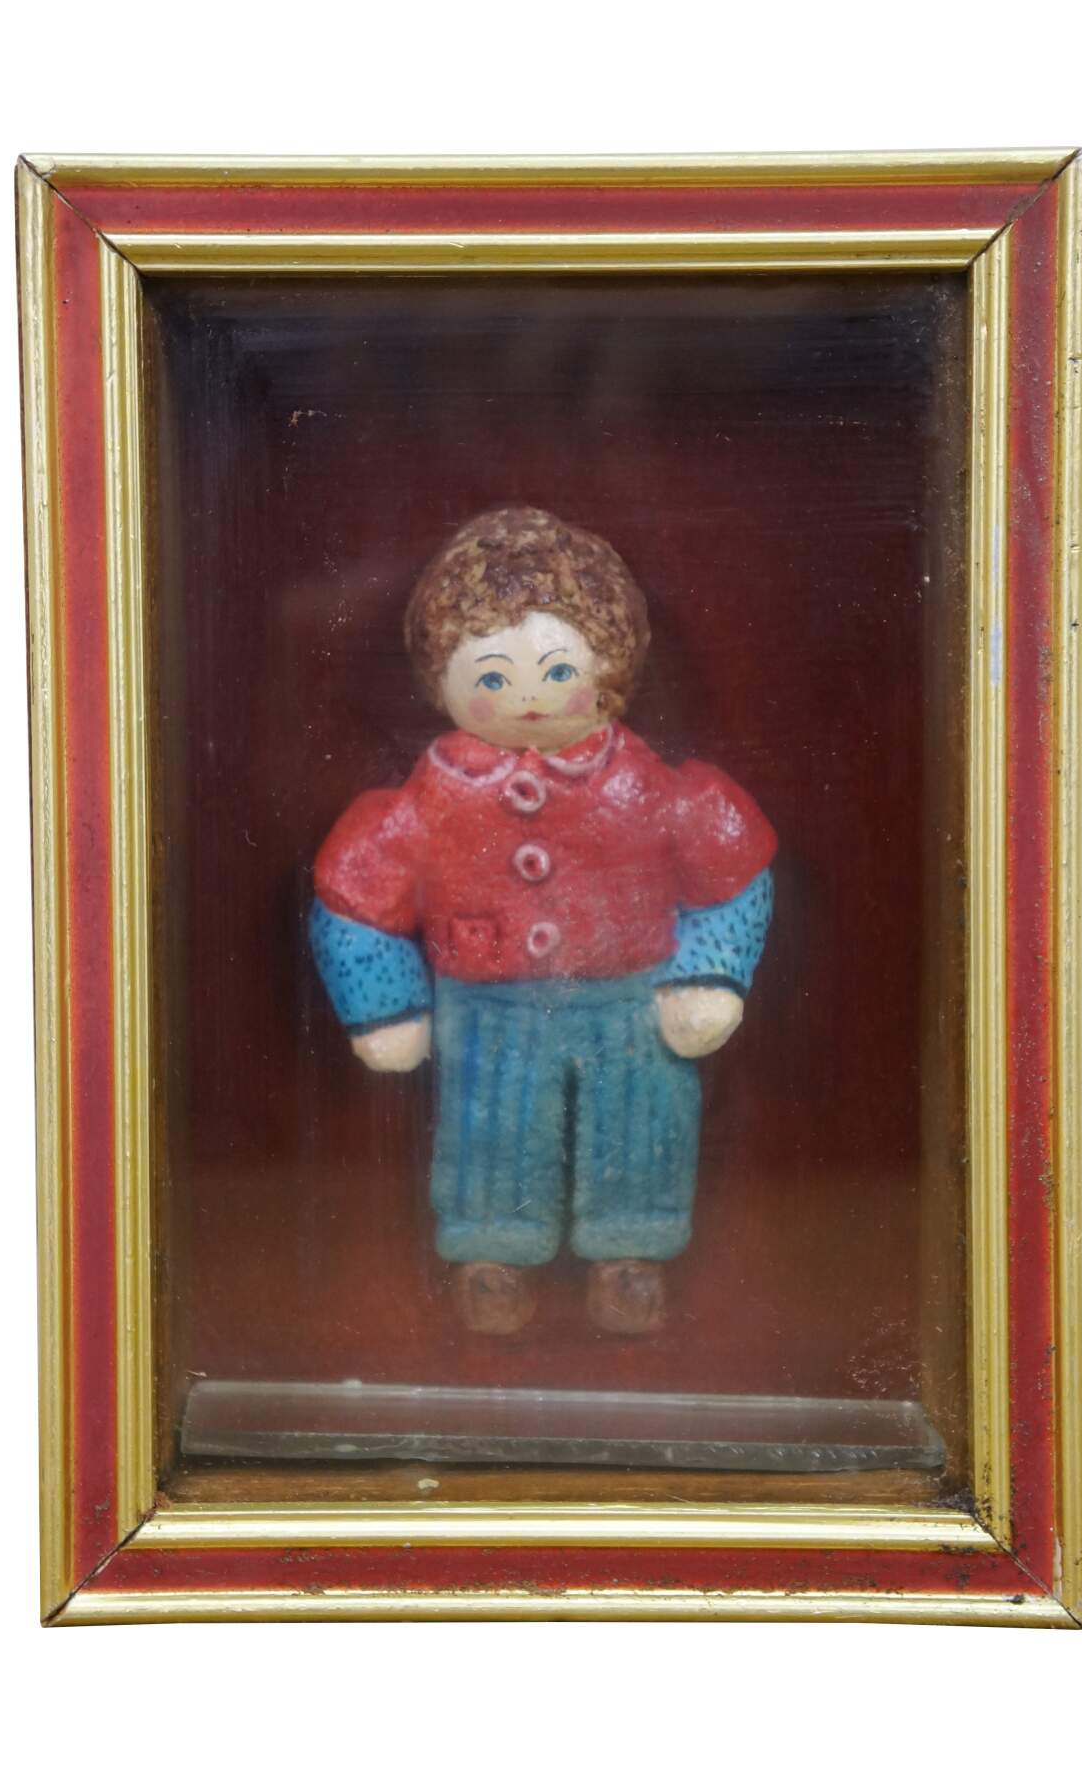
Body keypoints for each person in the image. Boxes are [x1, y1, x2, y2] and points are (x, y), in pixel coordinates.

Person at [309, 505, 777, 1336]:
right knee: (489, 1126)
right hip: (485, 1003)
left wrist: (709, 974)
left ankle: (630, 1253)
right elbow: (354, 895)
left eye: (557, 671)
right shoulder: (430, 801)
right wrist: (385, 1004)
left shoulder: (647, 789)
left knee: (640, 1119)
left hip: (630, 997)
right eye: (491, 678)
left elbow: (732, 867)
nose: (525, 699)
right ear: (442, 680)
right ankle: (492, 1256)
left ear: (608, 668)